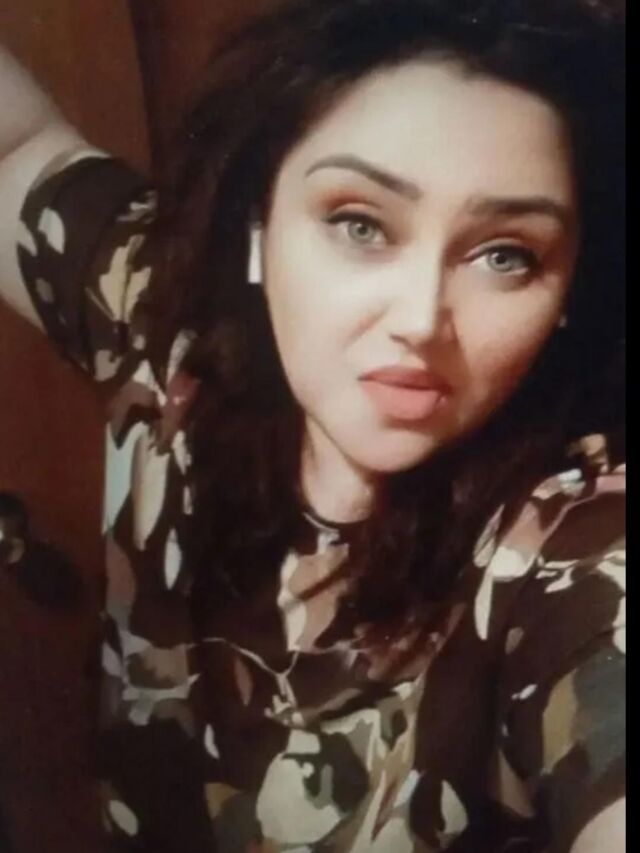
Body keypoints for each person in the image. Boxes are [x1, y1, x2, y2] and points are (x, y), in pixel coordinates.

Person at [0, 1, 625, 851]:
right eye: (359, 223)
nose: (420, 318)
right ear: (260, 223)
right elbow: (18, 150)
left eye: (506, 254)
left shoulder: (567, 546)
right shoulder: (169, 330)